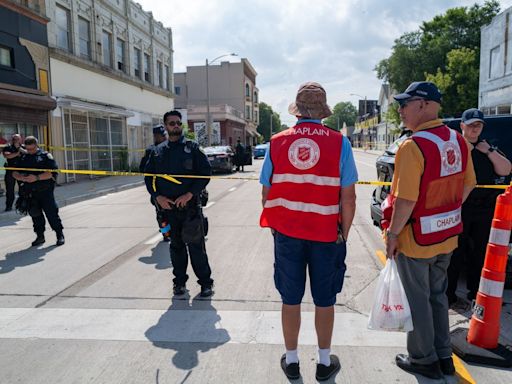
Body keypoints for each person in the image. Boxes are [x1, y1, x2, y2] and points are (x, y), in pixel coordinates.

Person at [260, 82, 357, 381]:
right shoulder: (340, 143)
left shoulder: (276, 142)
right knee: (324, 299)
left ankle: (291, 361)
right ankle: (324, 363)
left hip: (288, 234)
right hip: (327, 234)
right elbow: (348, 197)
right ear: (323, 113)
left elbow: (266, 192)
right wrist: (344, 233)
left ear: (298, 111)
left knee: (290, 298)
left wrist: (278, 227)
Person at [384, 82, 476, 380]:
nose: (400, 110)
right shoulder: (458, 141)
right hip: (447, 236)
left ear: (422, 105)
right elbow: (468, 184)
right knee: (438, 296)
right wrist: (444, 211)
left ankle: (423, 359)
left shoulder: (413, 146)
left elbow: (406, 200)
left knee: (418, 300)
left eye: (405, 104)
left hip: (416, 240)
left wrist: (393, 234)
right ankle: (443, 355)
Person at [144, 110, 214, 297]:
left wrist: (190, 194)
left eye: (178, 123)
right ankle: (179, 283)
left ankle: (206, 283)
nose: (176, 126)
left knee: (196, 248)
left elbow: (205, 174)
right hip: (169, 209)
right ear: (166, 126)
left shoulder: (192, 148)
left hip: (190, 208)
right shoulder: (157, 152)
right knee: (176, 249)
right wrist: (158, 197)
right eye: (172, 123)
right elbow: (149, 177)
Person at [447, 108, 511, 305]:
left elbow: (506, 169)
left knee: (481, 252)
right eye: (471, 124)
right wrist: (466, 149)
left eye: (479, 125)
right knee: (456, 251)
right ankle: (449, 295)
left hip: (485, 207)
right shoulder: (454, 147)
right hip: (461, 206)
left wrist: (488, 151)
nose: (475, 128)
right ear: (462, 126)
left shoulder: (488, 146)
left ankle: (475, 292)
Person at [12, 136, 65, 246]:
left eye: (32, 149)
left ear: (37, 145)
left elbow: (52, 173)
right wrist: (21, 177)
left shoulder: (45, 156)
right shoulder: (23, 157)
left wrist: (36, 178)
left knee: (52, 214)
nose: (30, 151)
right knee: (35, 215)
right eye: (28, 149)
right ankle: (40, 236)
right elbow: (14, 172)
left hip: (45, 191)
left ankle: (59, 235)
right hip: (30, 193)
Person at [140, 125, 169, 241]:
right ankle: (166, 234)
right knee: (161, 213)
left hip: (174, 187)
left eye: (163, 135)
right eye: (159, 136)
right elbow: (143, 169)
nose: (162, 137)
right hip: (158, 188)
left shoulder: (172, 147)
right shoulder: (151, 151)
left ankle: (171, 232)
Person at [2, 134, 26, 211]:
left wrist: (19, 148)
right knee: (10, 190)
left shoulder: (24, 147)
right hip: (10, 171)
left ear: (21, 140)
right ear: (12, 140)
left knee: (23, 190)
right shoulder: (8, 147)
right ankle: (9, 206)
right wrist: (17, 153)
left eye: (17, 139)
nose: (16, 141)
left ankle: (22, 205)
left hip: (21, 171)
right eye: (14, 139)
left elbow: (28, 154)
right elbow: (7, 156)